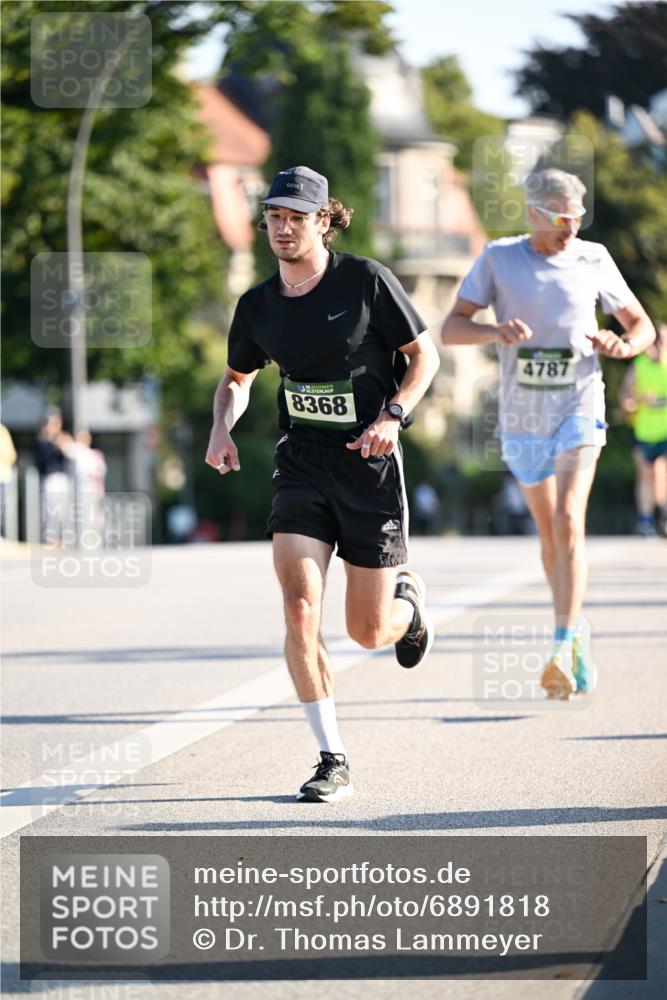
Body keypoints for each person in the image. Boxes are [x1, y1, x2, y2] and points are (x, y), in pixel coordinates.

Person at [205, 166, 440, 801]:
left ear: (324, 220)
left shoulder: (365, 281)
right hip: (302, 465)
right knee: (298, 606)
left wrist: (394, 416)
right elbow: (236, 377)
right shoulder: (257, 305)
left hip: (368, 465)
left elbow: (425, 357)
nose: (283, 228)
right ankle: (331, 756)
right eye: (274, 216)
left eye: (297, 217)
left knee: (367, 631)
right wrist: (221, 427)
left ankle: (408, 611)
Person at [441, 168, 655, 700]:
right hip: (522, 420)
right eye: (561, 219)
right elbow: (451, 327)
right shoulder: (499, 258)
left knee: (568, 521)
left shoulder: (594, 258)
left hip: (579, 406)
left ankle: (560, 643)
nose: (571, 229)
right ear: (533, 213)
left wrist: (623, 346)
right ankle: (574, 628)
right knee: (549, 535)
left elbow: (642, 325)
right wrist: (494, 331)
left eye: (578, 219)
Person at [619, 322, 667, 537]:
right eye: (661, 339)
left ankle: (664, 516)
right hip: (643, 432)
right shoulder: (639, 366)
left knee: (662, 471)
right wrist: (636, 400)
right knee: (646, 476)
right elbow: (626, 400)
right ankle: (646, 520)